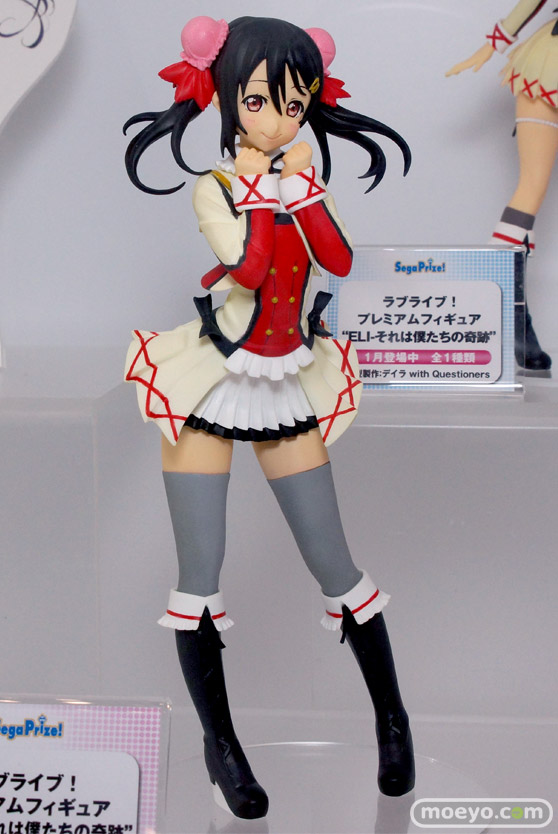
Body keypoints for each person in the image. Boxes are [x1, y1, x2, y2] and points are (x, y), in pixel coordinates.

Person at [124, 15, 414, 819]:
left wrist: (302, 190)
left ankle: (394, 723)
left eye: (294, 104)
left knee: (336, 564)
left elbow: (339, 260)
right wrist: (263, 190)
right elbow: (249, 268)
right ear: (227, 98)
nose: (279, 120)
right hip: (210, 383)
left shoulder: (301, 179)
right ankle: (222, 747)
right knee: (200, 575)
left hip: (286, 379)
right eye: (258, 101)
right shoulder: (213, 188)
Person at [447, 0, 558, 373]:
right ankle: (504, 302)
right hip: (551, 63)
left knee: (532, 186)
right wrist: (491, 45)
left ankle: (502, 301)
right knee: (532, 186)